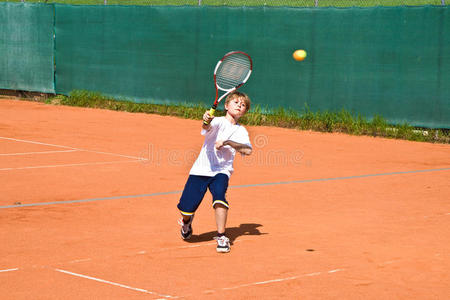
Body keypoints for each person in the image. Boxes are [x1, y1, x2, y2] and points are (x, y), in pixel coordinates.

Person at [177, 91, 253, 253]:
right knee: (186, 208)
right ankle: (186, 222)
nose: (240, 106)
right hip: (201, 169)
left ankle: (222, 236)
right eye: (236, 103)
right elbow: (207, 126)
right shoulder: (217, 121)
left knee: (219, 197)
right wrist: (206, 120)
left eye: (243, 105)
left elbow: (247, 151)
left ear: (245, 111)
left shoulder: (241, 131)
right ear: (226, 106)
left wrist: (228, 142)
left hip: (222, 171)